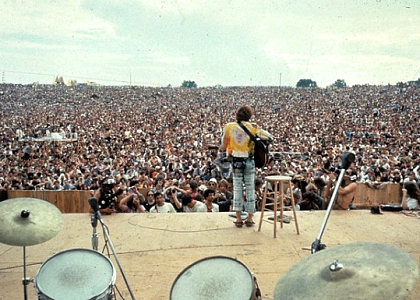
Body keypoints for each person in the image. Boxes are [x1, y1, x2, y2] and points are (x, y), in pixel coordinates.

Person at [219, 105, 272, 227]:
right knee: (250, 189)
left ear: (237, 114)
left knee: (237, 189)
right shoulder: (253, 127)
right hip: (249, 160)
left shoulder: (229, 126)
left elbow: (223, 144)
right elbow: (269, 137)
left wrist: (223, 149)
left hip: (236, 161)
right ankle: (250, 218)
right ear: (249, 115)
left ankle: (238, 219)